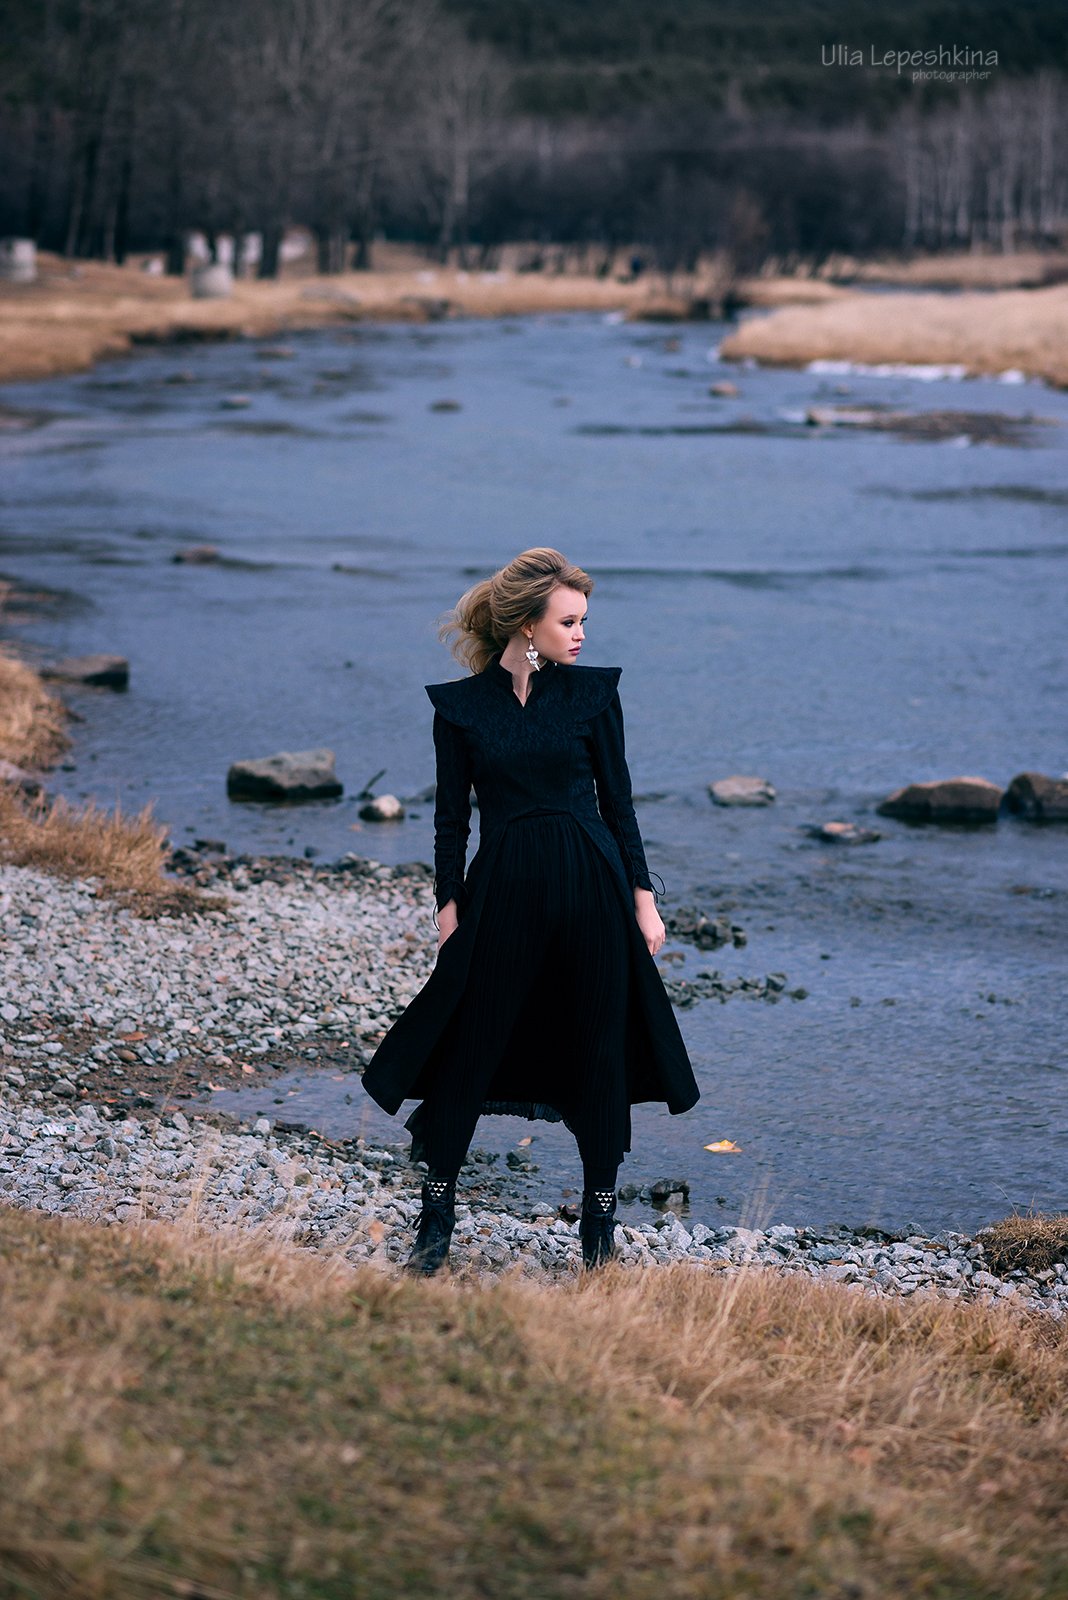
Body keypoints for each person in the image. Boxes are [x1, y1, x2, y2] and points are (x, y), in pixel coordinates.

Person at [360, 548, 700, 1274]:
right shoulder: (461, 708)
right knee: (471, 1046)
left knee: (600, 1053)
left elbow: (620, 805)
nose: (581, 634)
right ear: (526, 624)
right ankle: (436, 1216)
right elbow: (451, 821)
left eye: (583, 620)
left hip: (593, 890)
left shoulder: (593, 695)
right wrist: (448, 910)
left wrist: (644, 901)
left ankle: (599, 1233)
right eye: (568, 621)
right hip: (504, 892)